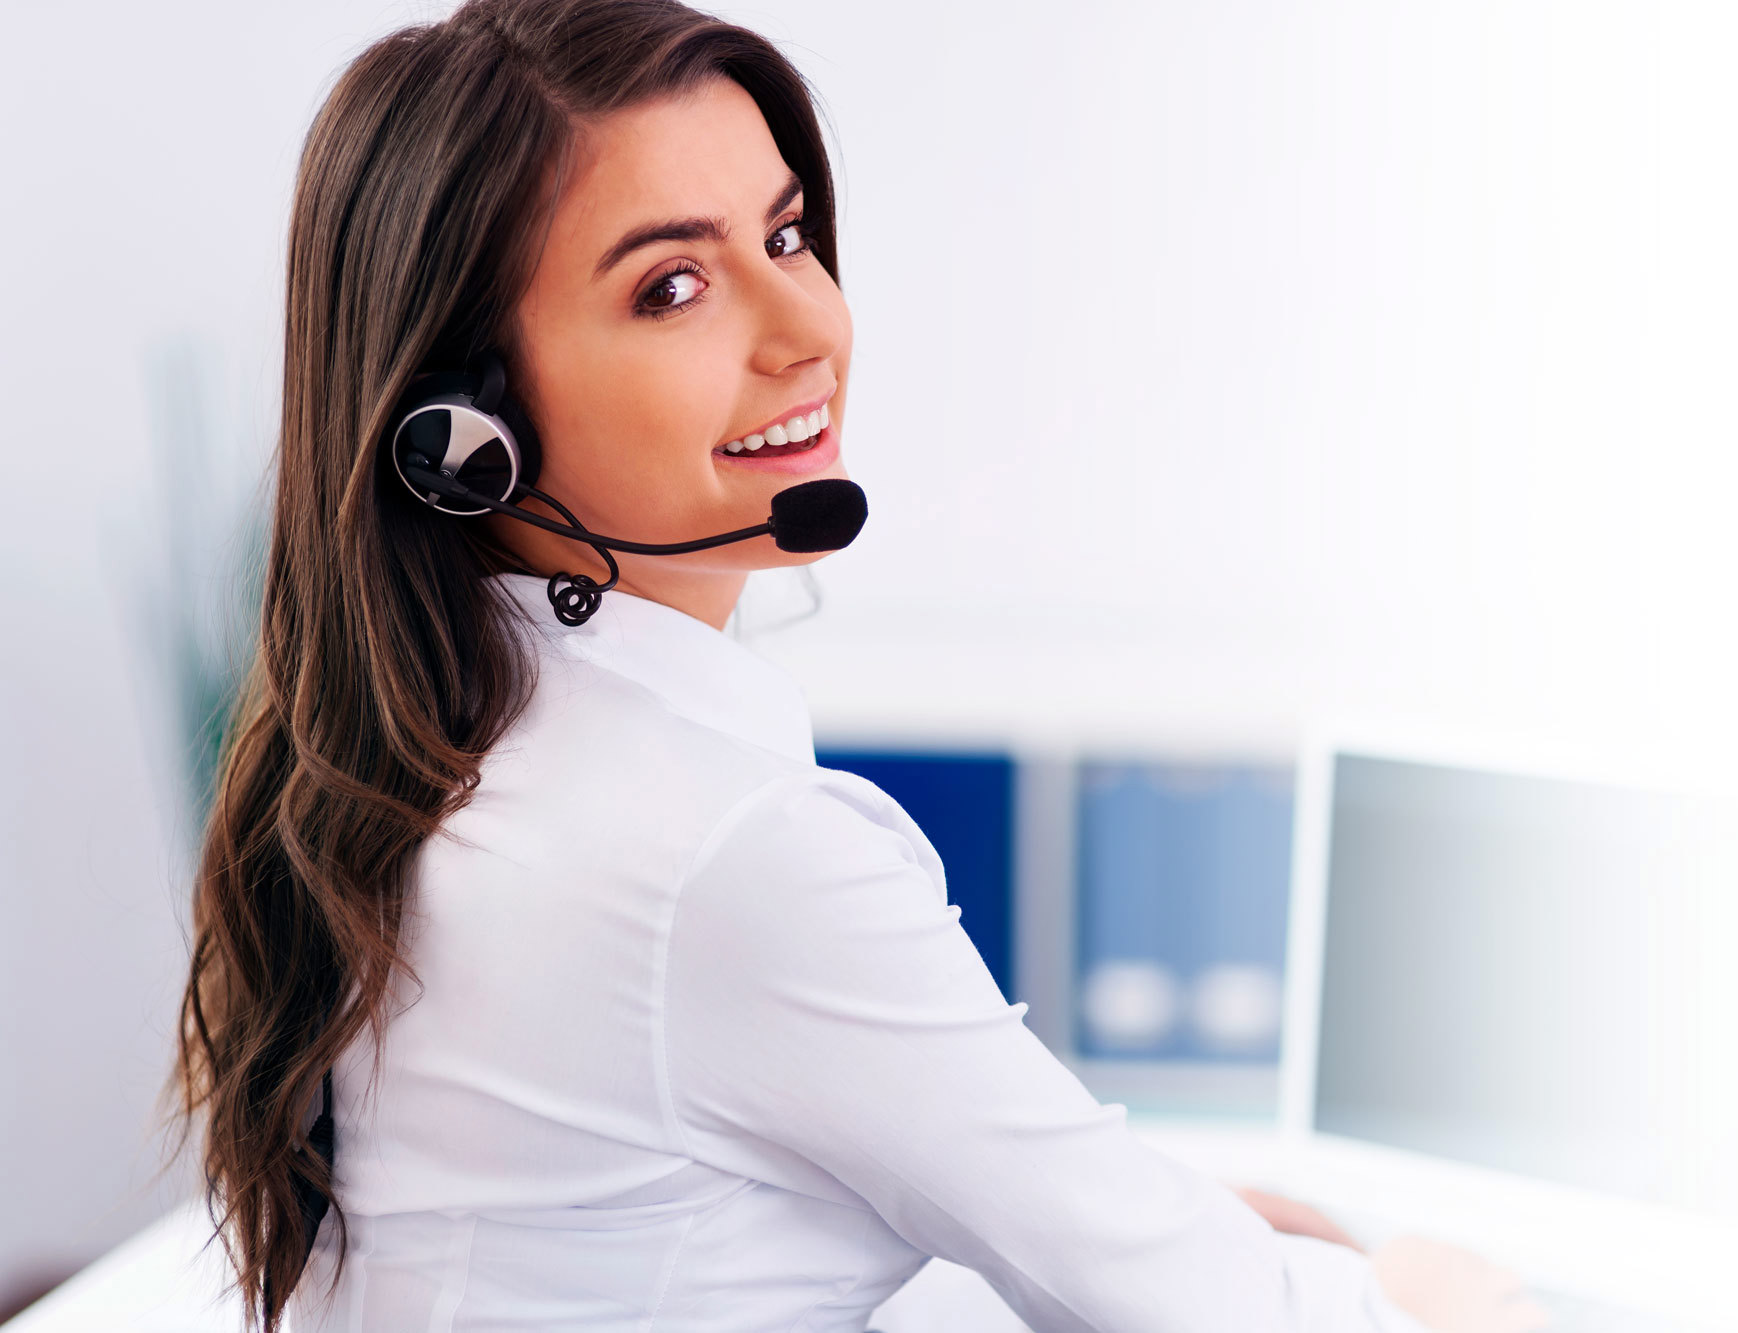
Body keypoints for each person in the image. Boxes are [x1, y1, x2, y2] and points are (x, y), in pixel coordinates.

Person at [165, 2, 1546, 1330]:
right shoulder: (730, 854)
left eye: (788, 234)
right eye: (674, 285)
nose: (807, 327)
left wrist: (1159, 1220)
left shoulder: (421, 760)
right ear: (464, 428)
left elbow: (695, 1245)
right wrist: (1431, 1290)